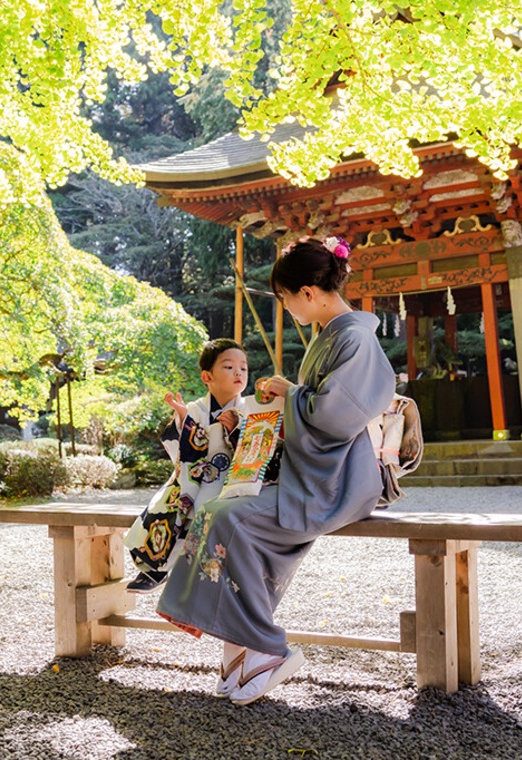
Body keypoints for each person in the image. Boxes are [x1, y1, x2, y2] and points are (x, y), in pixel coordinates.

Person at [156, 236, 395, 706]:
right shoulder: (333, 336)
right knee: (218, 514)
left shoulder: (352, 339)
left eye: (285, 298)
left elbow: (335, 417)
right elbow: (315, 414)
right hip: (316, 470)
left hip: (338, 480)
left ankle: (267, 648)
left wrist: (290, 393)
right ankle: (236, 652)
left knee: (229, 518)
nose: (286, 308)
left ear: (308, 292)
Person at [123, 339, 247, 594]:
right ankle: (154, 568)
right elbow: (180, 451)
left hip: (231, 482)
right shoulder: (195, 409)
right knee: (166, 507)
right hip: (193, 479)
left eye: (243, 368)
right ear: (206, 376)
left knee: (204, 510)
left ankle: (186, 573)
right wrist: (183, 421)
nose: (238, 373)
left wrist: (236, 428)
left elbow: (255, 449)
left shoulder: (249, 410)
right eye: (228, 367)